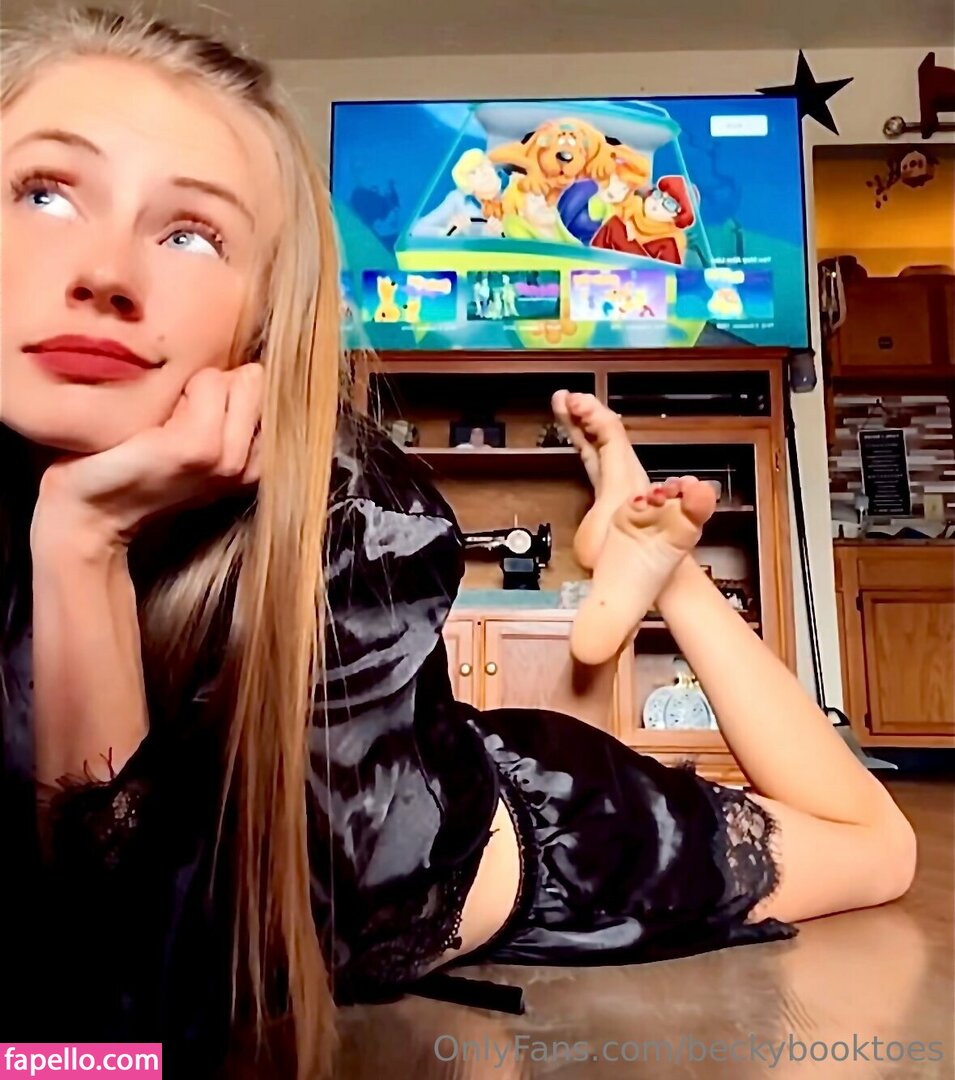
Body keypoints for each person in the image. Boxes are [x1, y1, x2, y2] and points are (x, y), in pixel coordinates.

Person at [0, 9, 917, 1080]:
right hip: (405, 742)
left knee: (876, 848)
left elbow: (134, 1023)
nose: (104, 271)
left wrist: (83, 538)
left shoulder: (356, 514)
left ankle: (667, 576)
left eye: (191, 232)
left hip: (538, 836)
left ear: (259, 319)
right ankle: (632, 569)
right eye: (44, 192)